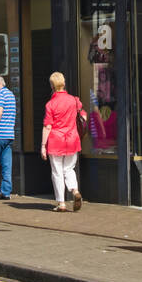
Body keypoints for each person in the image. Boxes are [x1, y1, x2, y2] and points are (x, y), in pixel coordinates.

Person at [41, 72, 86, 212]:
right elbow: (83, 115)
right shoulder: (74, 100)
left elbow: (47, 126)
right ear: (64, 83)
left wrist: (43, 146)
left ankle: (61, 203)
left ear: (51, 86)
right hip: (72, 139)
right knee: (69, 169)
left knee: (57, 172)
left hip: (56, 140)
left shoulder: (51, 104)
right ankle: (74, 191)